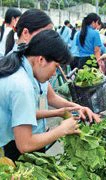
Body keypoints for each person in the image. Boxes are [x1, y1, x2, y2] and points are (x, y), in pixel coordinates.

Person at [5, 9, 100, 137]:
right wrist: (60, 118)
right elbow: (23, 115)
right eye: (45, 33)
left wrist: (77, 108)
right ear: (26, 33)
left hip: (39, 133)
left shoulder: (37, 63)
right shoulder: (18, 69)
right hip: (20, 138)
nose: (49, 39)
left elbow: (50, 97)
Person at [0, 30, 80, 161]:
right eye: (56, 66)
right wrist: (62, 129)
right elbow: (25, 145)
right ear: (41, 60)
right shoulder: (22, 85)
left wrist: (61, 112)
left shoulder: (18, 68)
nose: (54, 74)